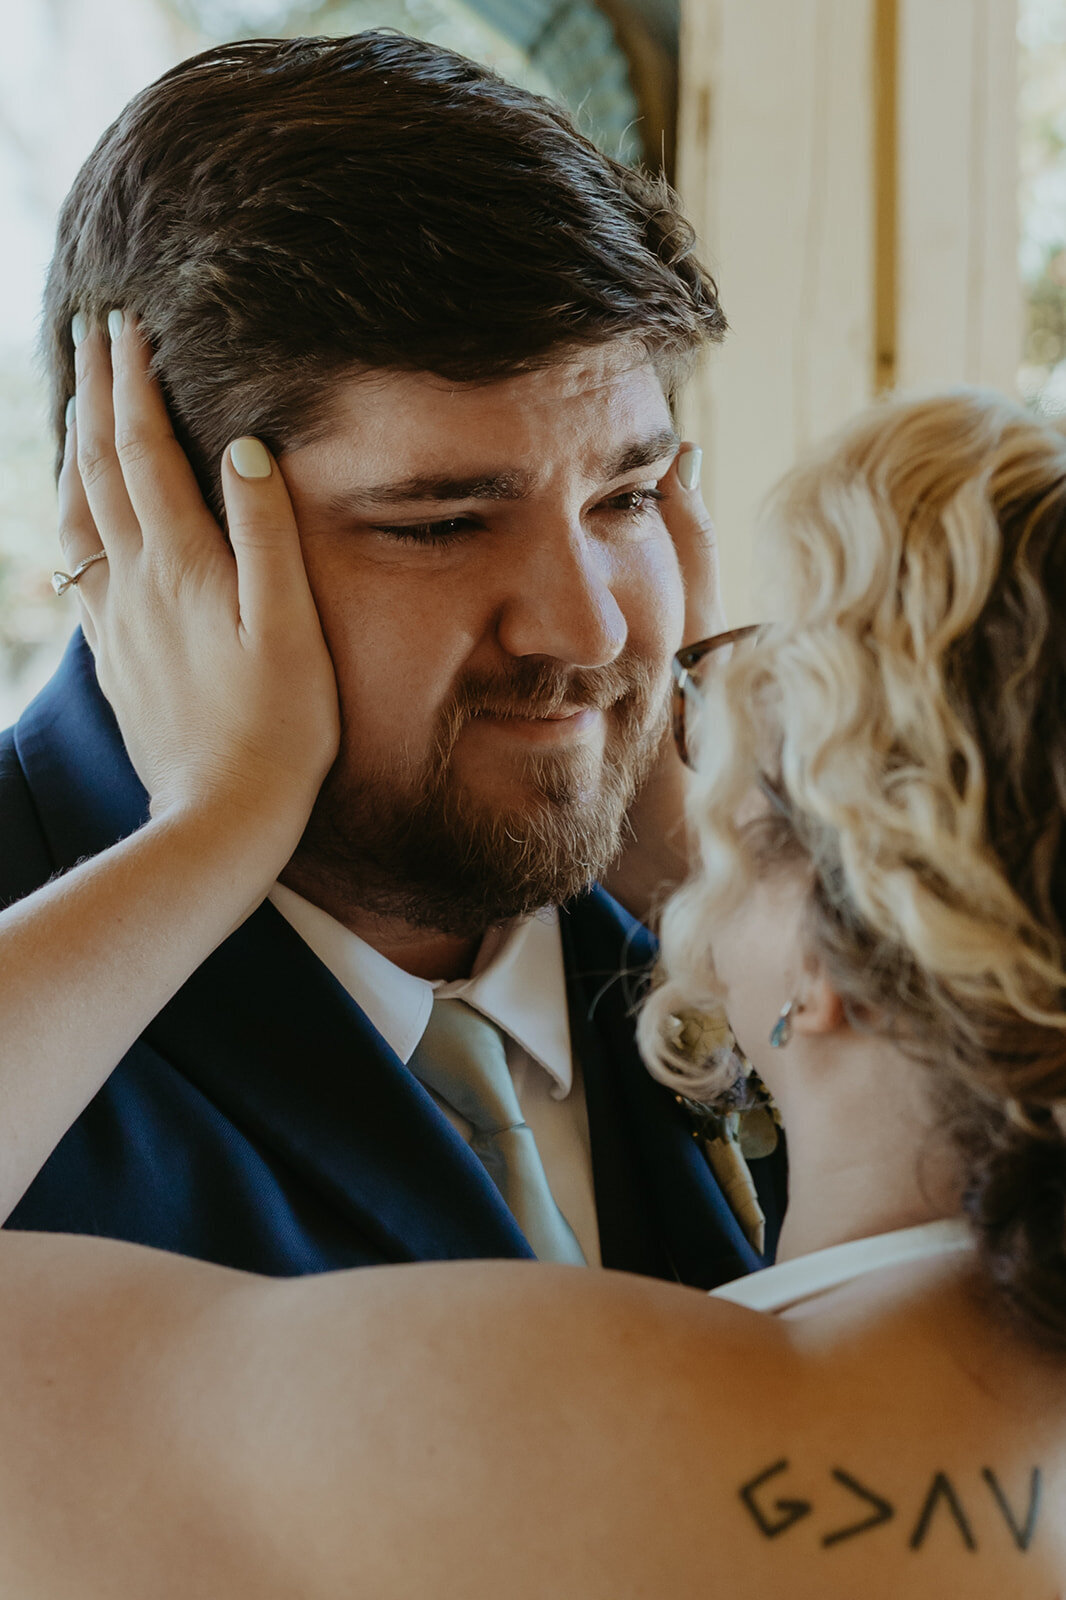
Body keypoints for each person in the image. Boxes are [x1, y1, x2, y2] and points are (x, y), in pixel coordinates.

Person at [0, 373, 1064, 1596]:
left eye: (625, 498)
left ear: (836, 958)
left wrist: (218, 821)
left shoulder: (634, 1431)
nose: (608, 644)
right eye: (444, 521)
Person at [0, 32, 786, 1285]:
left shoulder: (769, 930)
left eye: (626, 497)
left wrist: (726, 910)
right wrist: (212, 831)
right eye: (442, 524)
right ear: (158, 531)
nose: (585, 631)